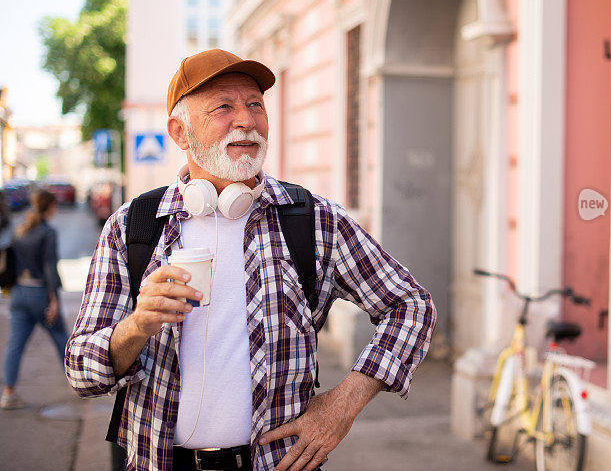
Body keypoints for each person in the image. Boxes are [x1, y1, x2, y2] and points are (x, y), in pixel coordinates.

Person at [66, 49, 437, 471]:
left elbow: (412, 306)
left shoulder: (314, 220)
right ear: (180, 133)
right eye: (223, 106)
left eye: (255, 105)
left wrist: (343, 403)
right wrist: (136, 326)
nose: (246, 119)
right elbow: (81, 373)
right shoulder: (131, 229)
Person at [2, 189, 68, 410]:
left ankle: (8, 393)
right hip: (39, 294)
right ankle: (81, 383)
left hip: (18, 293)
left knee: (15, 345)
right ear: (50, 207)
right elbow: (50, 267)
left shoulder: (21, 227)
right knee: (61, 339)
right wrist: (54, 300)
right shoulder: (47, 232)